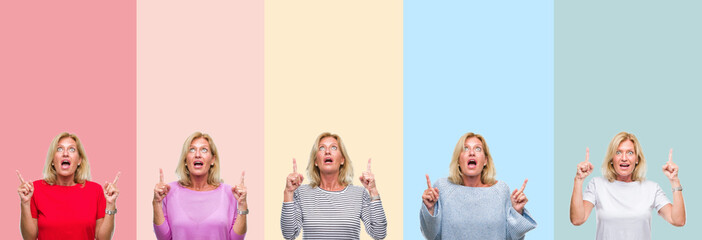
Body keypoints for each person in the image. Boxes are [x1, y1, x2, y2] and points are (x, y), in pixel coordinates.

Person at [420, 132, 537, 240]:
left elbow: (511, 237)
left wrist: (517, 212)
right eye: (465, 148)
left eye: (478, 149)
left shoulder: (501, 190)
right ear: (458, 160)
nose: (472, 152)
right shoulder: (442, 188)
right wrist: (430, 209)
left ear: (485, 160)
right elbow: (430, 235)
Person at [570, 132, 685, 239]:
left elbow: (678, 220)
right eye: (618, 152)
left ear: (637, 159)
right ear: (611, 159)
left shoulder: (651, 188)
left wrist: (674, 180)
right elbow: (577, 219)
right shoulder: (597, 184)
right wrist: (578, 180)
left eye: (630, 153)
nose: (624, 158)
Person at [281, 132, 387, 239]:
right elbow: (289, 234)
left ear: (342, 160)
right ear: (316, 161)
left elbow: (379, 234)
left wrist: (373, 190)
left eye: (334, 148)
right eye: (322, 148)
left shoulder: (359, 194)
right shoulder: (302, 193)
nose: (327, 151)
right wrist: (288, 193)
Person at [17, 132, 120, 240]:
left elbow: (103, 238)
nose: (65, 153)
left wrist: (110, 204)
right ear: (52, 160)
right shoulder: (35, 189)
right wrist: (25, 203)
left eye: (72, 149)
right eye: (59, 149)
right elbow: (29, 238)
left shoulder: (95, 190)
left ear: (79, 160)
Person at [153, 132, 247, 240]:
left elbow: (236, 239)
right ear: (185, 160)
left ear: (212, 160)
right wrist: (156, 203)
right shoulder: (169, 191)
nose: (197, 154)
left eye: (204, 150)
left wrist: (242, 205)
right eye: (192, 149)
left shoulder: (229, 192)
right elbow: (163, 238)